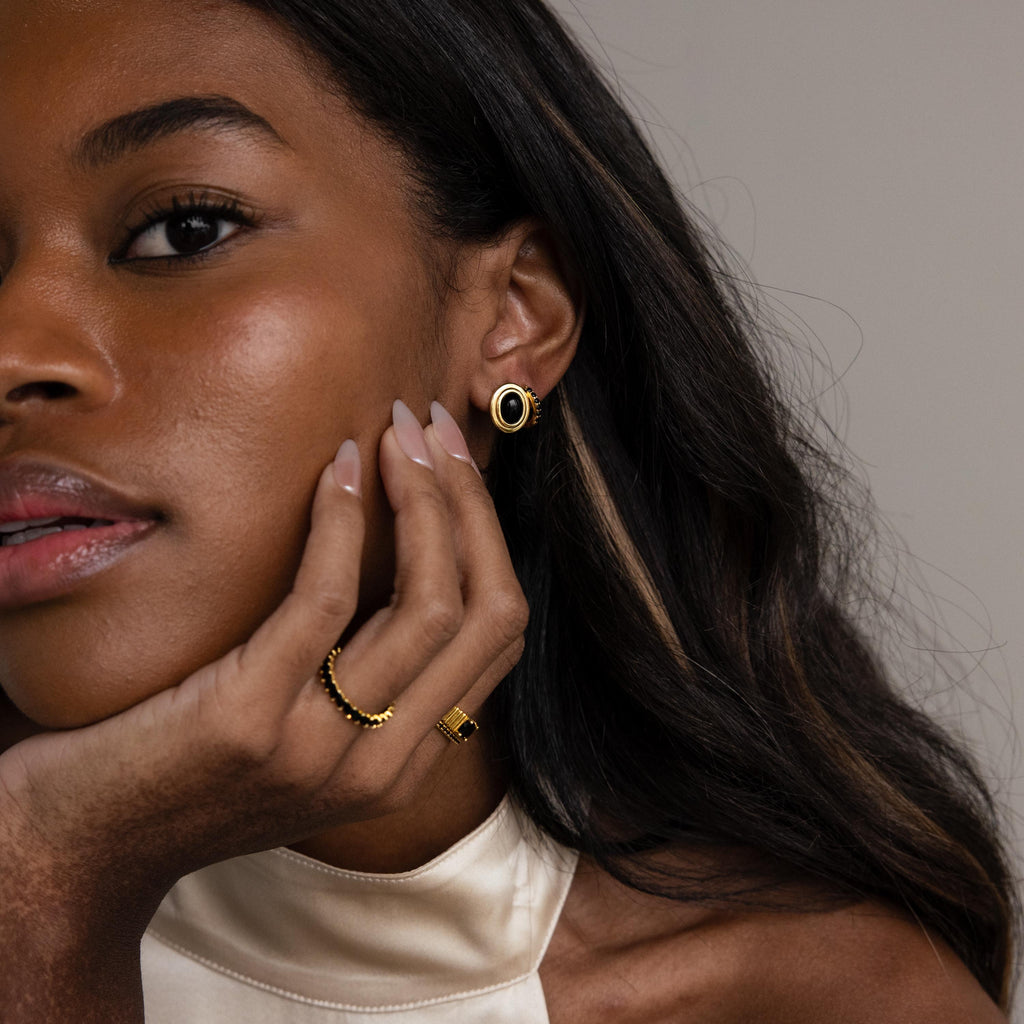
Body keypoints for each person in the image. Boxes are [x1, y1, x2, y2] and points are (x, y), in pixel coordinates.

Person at [0, 0, 1015, 1020]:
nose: (14, 351)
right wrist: (49, 885)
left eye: (184, 229)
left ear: (513, 318)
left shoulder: (817, 1000)